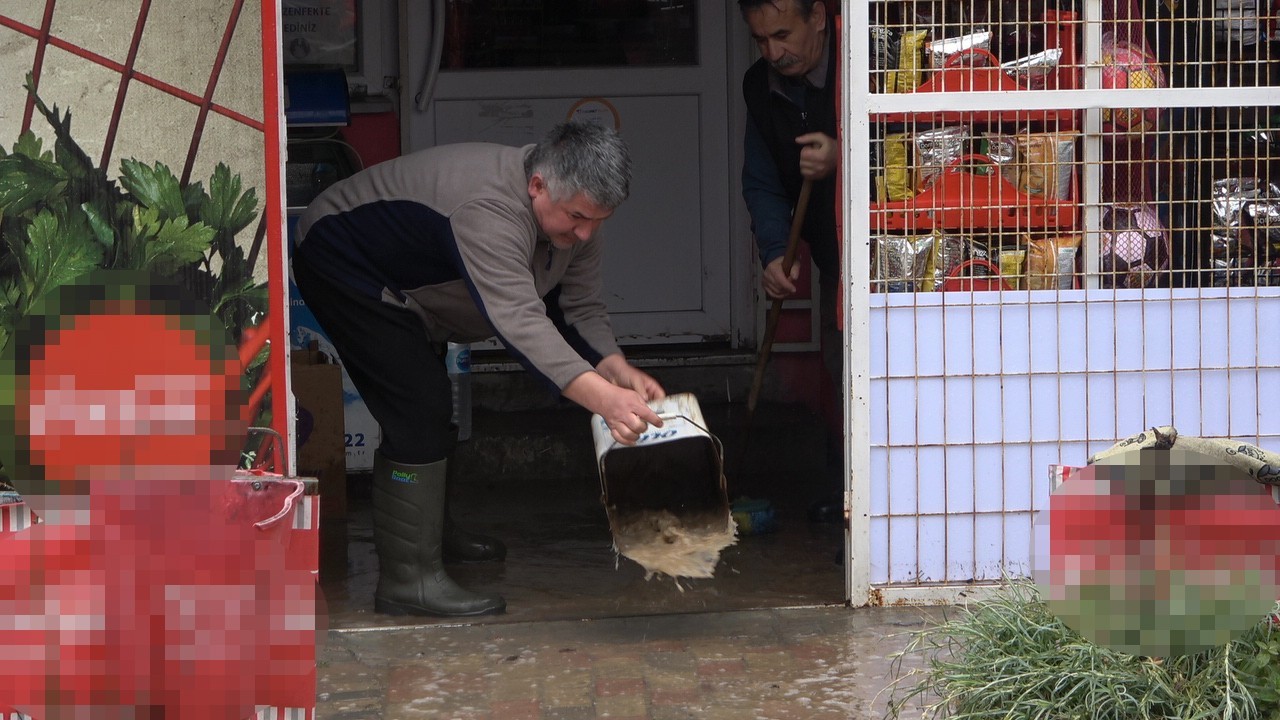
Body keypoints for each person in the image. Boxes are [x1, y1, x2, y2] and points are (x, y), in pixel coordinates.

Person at [291, 122, 666, 617]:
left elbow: (578, 307)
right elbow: (520, 321)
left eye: (598, 220)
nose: (585, 234)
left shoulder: (576, 214)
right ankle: (408, 580)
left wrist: (614, 366)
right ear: (538, 185)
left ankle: (432, 538)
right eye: (577, 218)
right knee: (418, 406)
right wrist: (604, 399)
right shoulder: (487, 209)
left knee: (431, 404)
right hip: (342, 258)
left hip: (407, 278)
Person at [738, 0, 843, 521]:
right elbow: (761, 180)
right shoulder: (761, 87)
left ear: (818, 17)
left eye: (782, 35)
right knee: (843, 364)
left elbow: (915, 137)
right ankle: (849, 492)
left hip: (897, 252)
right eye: (761, 40)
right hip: (833, 257)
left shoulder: (868, 62)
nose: (773, 53)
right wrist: (776, 252)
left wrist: (844, 154)